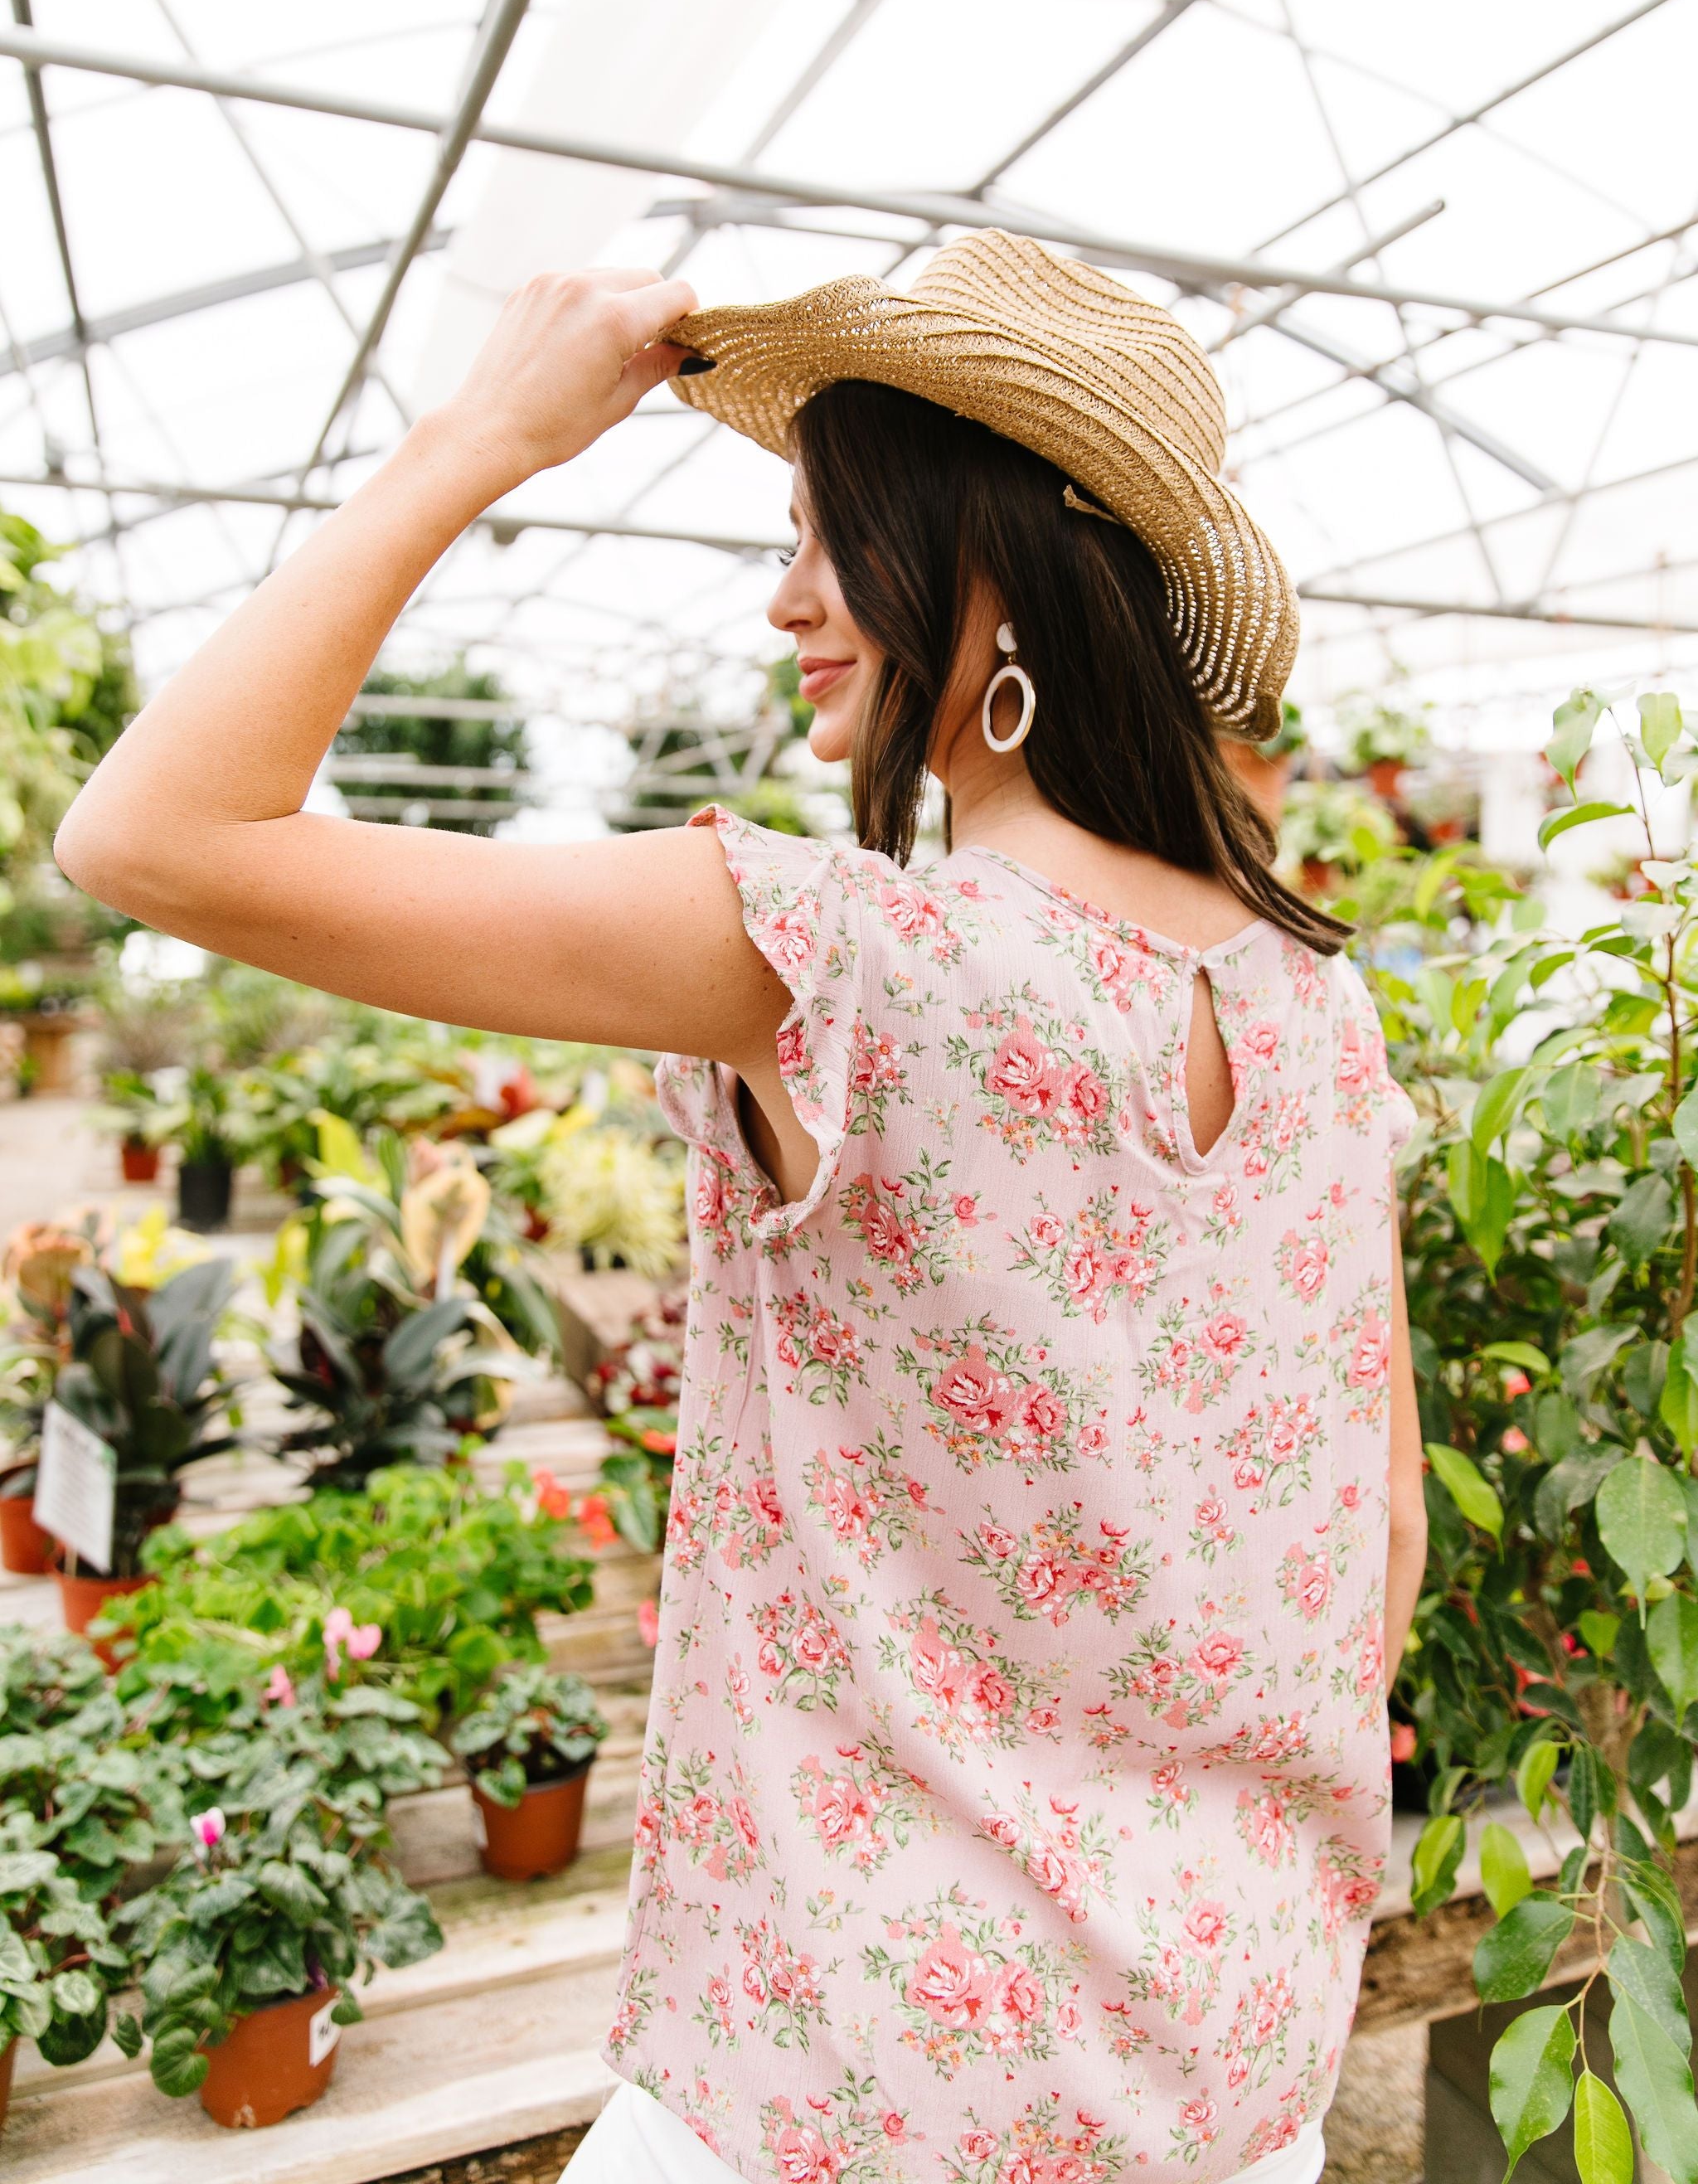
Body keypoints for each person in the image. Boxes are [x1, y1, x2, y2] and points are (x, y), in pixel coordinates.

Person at [57, 231, 1426, 2184]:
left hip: (866, 2080)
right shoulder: (1319, 1006)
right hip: (1229, 2061)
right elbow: (1379, 1535)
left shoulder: (828, 954)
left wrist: (476, 439)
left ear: (989, 562)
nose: (784, 601)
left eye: (820, 534)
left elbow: (150, 836)